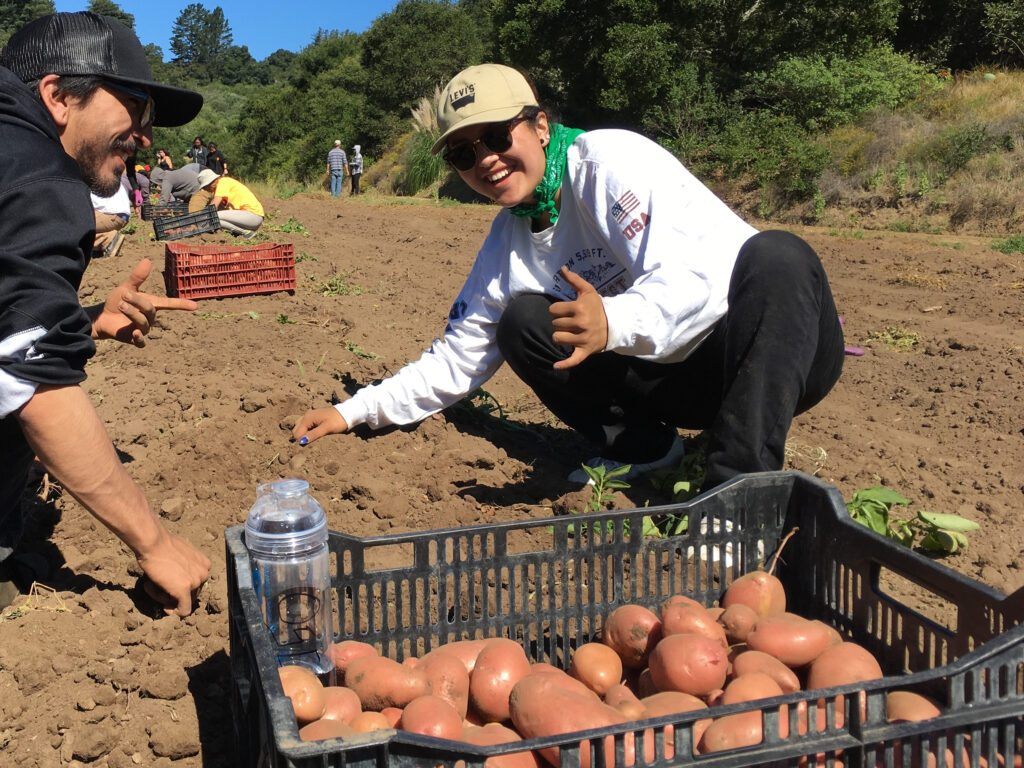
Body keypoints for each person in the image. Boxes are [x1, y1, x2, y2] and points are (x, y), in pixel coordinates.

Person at [293, 63, 846, 493]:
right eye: (464, 152)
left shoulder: (607, 163)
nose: (485, 159)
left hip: (766, 355)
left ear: (538, 127)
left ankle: (740, 492)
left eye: (496, 136)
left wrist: (614, 318)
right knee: (523, 321)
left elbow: (697, 278)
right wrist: (354, 411)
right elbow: (457, 356)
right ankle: (644, 448)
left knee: (779, 255)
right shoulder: (507, 242)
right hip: (675, 383)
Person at [0, 11, 211, 614]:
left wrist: (82, 318)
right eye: (136, 108)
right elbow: (31, 380)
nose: (144, 135)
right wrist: (156, 543)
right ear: (59, 96)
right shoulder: (38, 176)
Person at [190, 168, 264, 237]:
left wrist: (200, 220)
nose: (207, 189)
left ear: (212, 181)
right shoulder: (221, 187)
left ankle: (245, 232)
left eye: (206, 187)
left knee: (214, 216)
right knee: (215, 219)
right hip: (248, 219)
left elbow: (213, 206)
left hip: (253, 216)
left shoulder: (223, 182)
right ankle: (245, 232)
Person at [91, 184, 131, 259]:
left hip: (113, 214)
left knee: (72, 224)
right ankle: (107, 237)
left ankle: (108, 240)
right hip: (118, 215)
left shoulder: (89, 178)